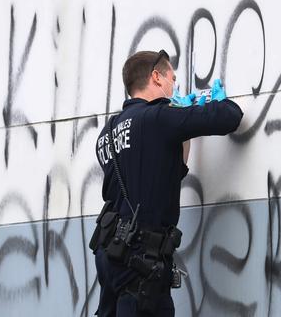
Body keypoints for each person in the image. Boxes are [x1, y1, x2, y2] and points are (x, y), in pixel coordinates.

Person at [92, 50, 243, 316]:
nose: (174, 86)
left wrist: (181, 128)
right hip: (141, 261)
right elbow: (230, 116)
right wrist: (215, 103)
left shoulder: (107, 133)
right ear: (156, 78)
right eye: (172, 78)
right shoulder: (158, 117)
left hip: (110, 254)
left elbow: (168, 172)